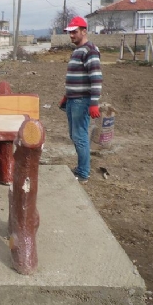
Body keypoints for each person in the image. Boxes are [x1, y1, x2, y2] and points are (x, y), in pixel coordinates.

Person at [58, 16, 102, 184]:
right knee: (74, 135)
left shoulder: (90, 50)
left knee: (80, 136)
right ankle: (81, 168)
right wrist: (67, 94)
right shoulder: (77, 51)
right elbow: (76, 77)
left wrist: (94, 103)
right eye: (70, 33)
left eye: (74, 32)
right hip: (72, 99)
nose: (71, 36)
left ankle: (83, 173)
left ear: (84, 31)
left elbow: (96, 78)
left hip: (81, 101)